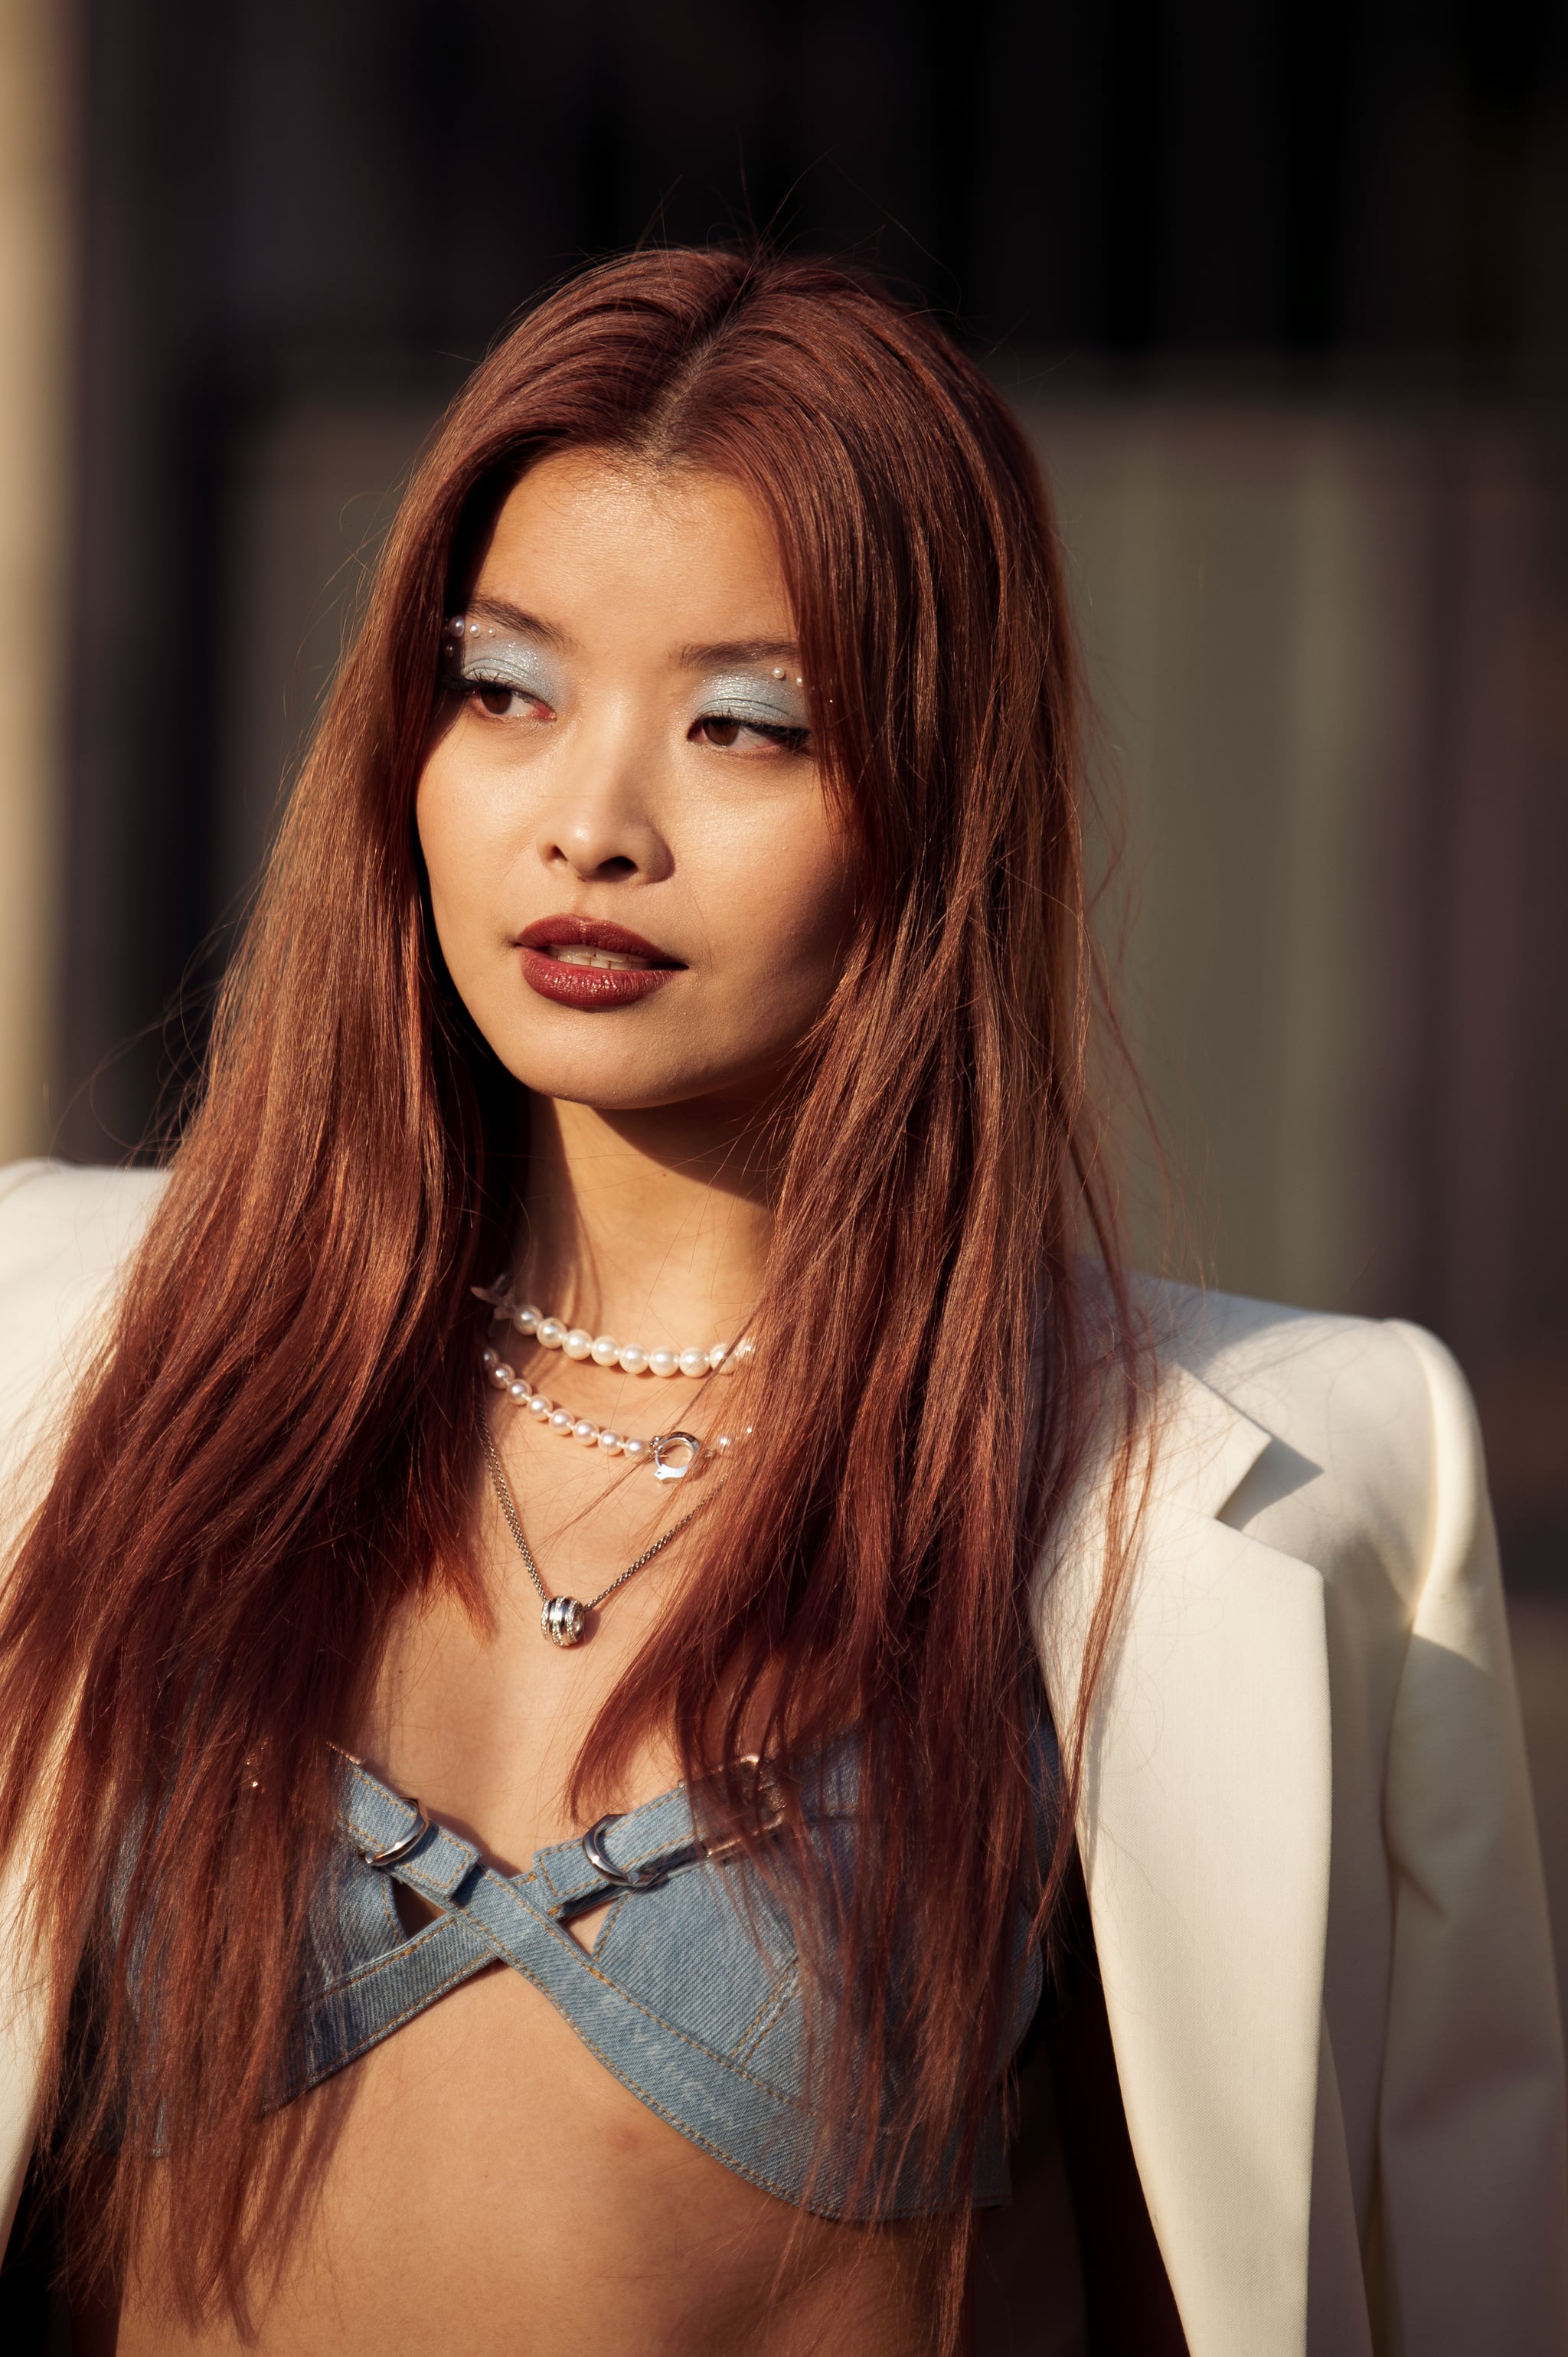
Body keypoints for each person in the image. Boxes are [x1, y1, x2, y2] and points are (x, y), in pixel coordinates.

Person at [0, 250, 1561, 2357]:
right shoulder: (65, 1347)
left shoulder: (1250, 1495)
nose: (590, 824)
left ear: (934, 793)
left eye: (748, 725)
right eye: (506, 688)